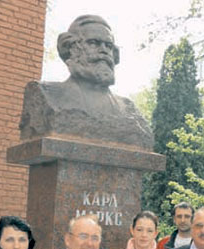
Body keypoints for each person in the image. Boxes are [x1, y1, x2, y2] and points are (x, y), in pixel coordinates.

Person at [19, 15, 153, 150]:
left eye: (108, 46)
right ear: (71, 48)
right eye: (93, 43)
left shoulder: (128, 108)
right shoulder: (47, 95)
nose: (103, 50)